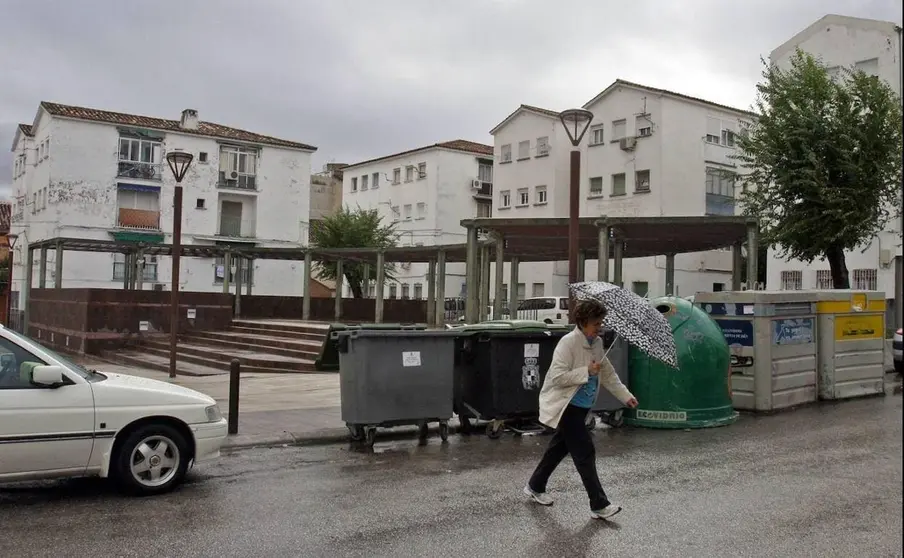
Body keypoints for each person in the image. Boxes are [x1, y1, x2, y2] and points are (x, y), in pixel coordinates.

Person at [523, 299, 638, 520]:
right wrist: (586, 371)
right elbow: (557, 377)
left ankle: (535, 485)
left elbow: (607, 373)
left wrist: (625, 396)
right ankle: (599, 504)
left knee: (558, 449)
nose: (600, 327)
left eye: (601, 322)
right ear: (583, 322)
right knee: (585, 452)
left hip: (582, 407)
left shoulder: (597, 343)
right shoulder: (568, 343)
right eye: (596, 323)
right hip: (566, 405)